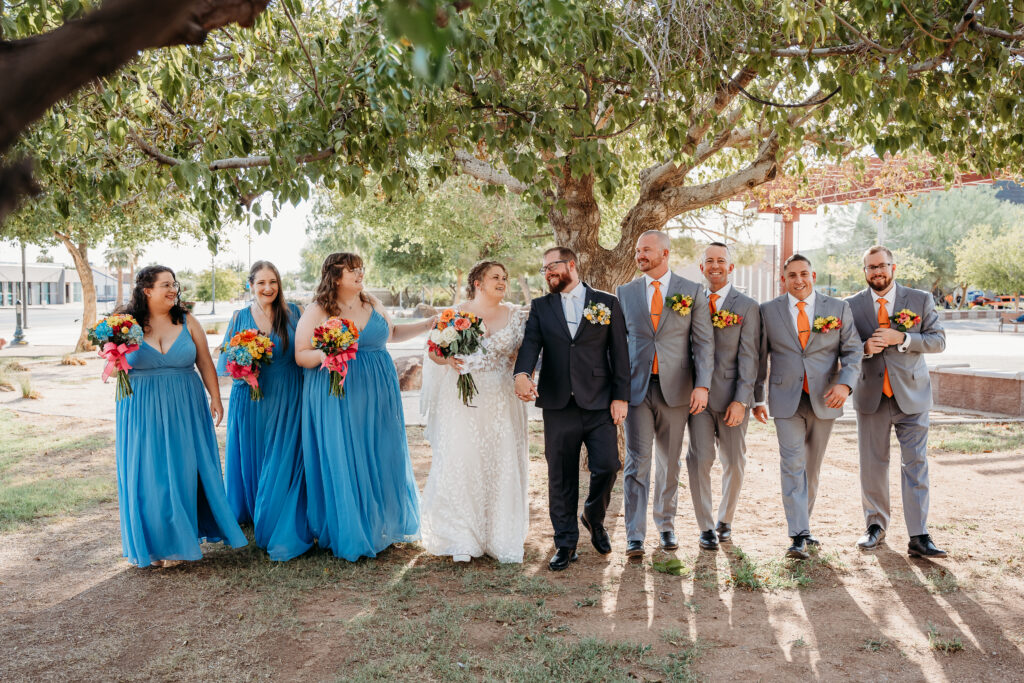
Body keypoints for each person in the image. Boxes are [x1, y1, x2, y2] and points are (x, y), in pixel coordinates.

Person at [294, 252, 435, 561]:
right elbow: (301, 353)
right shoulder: (318, 310)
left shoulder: (371, 302)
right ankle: (352, 528)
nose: (360, 274)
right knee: (347, 453)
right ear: (335, 276)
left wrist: (428, 324)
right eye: (352, 270)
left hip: (379, 388)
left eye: (361, 268)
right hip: (338, 389)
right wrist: (327, 355)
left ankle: (381, 525)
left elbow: (393, 333)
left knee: (382, 450)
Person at [115, 265, 247, 568]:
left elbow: (204, 361)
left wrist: (215, 397)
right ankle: (157, 545)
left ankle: (180, 540)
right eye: (166, 285)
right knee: (150, 474)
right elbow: (112, 365)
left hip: (186, 405)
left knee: (185, 470)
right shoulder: (125, 325)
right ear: (147, 290)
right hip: (140, 408)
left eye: (175, 284)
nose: (173, 289)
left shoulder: (188, 321)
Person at [513, 247, 630, 572]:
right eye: (544, 270)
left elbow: (619, 351)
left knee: (608, 466)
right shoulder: (541, 307)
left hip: (599, 401)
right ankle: (565, 543)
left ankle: (593, 514)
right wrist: (522, 374)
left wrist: (621, 396)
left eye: (552, 266)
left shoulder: (606, 302)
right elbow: (530, 344)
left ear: (571, 265)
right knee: (560, 476)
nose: (548, 273)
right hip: (558, 403)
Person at [419, 260, 530, 563]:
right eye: (495, 277)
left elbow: (523, 356)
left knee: (500, 462)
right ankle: (462, 538)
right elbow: (433, 351)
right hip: (463, 402)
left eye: (505, 277)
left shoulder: (516, 316)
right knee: (463, 462)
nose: (502, 281)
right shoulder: (454, 314)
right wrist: (449, 360)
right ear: (478, 283)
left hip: (502, 402)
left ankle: (499, 535)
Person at [753, 254, 861, 560]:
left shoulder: (838, 308)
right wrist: (757, 397)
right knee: (792, 465)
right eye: (791, 275)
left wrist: (844, 384)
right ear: (783, 279)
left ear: (813, 274)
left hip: (825, 397)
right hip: (785, 399)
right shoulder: (768, 311)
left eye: (803, 274)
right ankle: (798, 534)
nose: (798, 280)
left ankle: (805, 526)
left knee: (811, 469)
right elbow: (760, 357)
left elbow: (853, 350)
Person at [616, 230, 714, 557]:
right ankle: (634, 535)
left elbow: (703, 342)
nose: (640, 255)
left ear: (665, 253)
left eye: (646, 250)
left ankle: (666, 525)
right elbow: (617, 345)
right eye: (637, 250)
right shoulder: (625, 292)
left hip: (678, 390)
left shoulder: (691, 291)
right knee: (636, 463)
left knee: (669, 463)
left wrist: (702, 385)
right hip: (637, 389)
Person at [847, 246, 948, 558]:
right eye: (870, 267)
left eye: (882, 266)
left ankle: (919, 535)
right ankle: (875, 526)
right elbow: (843, 349)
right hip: (871, 397)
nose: (877, 271)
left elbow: (938, 340)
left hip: (912, 397)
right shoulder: (850, 305)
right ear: (864, 272)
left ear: (893, 267)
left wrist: (902, 339)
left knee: (916, 465)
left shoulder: (919, 299)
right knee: (873, 465)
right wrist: (864, 347)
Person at [217, 260, 313, 561]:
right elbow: (225, 360)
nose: (268, 288)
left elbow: (308, 347)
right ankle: (253, 507)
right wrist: (243, 371)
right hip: (251, 394)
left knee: (284, 453)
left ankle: (279, 511)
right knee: (256, 451)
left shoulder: (294, 313)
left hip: (289, 391)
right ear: (251, 285)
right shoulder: (240, 317)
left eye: (273, 282)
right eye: (261, 283)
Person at [685, 242, 760, 549]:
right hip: (697, 399)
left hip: (732, 398)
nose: (715, 265)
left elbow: (751, 357)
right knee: (699, 459)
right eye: (709, 261)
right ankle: (705, 527)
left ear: (731, 267)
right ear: (701, 267)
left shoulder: (747, 306)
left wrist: (743, 400)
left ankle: (725, 520)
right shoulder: (688, 302)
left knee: (734, 461)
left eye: (721, 261)